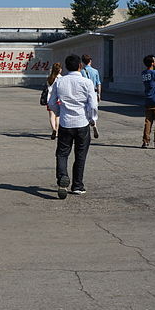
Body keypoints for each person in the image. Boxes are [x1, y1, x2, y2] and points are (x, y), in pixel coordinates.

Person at [48, 54, 98, 200]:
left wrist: (59, 113)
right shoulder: (87, 82)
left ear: (66, 66)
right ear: (79, 66)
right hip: (82, 123)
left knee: (62, 153)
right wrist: (92, 119)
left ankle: (63, 177)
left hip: (65, 123)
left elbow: (51, 102)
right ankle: (77, 186)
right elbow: (93, 105)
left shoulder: (59, 82)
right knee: (80, 155)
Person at [81, 54, 102, 139]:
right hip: (93, 92)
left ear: (82, 62)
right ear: (90, 61)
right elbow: (98, 83)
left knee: (85, 110)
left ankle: (87, 127)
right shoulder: (95, 71)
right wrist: (99, 94)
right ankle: (94, 123)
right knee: (93, 110)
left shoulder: (81, 71)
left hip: (84, 93)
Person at [45, 62, 62, 140]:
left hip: (50, 99)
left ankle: (54, 130)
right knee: (57, 116)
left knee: (52, 116)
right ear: (59, 70)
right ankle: (57, 131)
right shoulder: (61, 78)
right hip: (58, 99)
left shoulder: (50, 78)